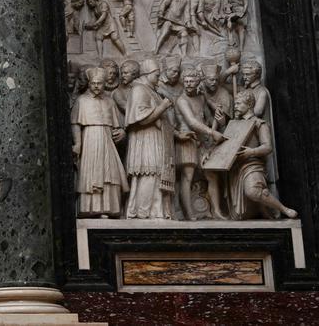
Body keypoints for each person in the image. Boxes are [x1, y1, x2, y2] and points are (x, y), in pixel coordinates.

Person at [227, 92, 297, 220]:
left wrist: (251, 152)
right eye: (235, 103)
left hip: (252, 164)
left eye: (238, 103)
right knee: (239, 215)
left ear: (249, 105)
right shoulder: (235, 124)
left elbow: (267, 147)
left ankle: (283, 209)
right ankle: (261, 207)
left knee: (253, 191)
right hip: (236, 167)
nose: (235, 106)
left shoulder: (260, 124)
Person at [72, 67, 128, 217]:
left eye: (99, 83)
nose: (96, 86)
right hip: (89, 139)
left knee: (110, 174)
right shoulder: (81, 101)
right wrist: (78, 143)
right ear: (89, 83)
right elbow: (76, 123)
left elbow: (118, 124)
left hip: (107, 140)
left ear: (105, 84)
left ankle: (110, 209)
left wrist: (121, 132)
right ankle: (90, 209)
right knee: (91, 173)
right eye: (93, 83)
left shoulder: (110, 102)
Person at [172, 67, 226, 220]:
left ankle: (216, 210)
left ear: (197, 82)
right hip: (187, 139)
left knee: (211, 174)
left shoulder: (201, 98)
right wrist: (212, 132)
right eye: (186, 81)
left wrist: (218, 119)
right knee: (187, 176)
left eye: (192, 81)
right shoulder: (181, 100)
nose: (188, 84)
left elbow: (207, 120)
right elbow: (192, 122)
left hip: (201, 141)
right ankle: (189, 213)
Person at [125, 58, 175, 219]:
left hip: (155, 138)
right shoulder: (139, 90)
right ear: (147, 74)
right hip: (145, 138)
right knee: (149, 173)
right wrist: (162, 107)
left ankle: (156, 211)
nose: (158, 78)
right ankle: (142, 211)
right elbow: (141, 119)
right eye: (156, 75)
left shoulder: (151, 90)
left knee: (156, 174)